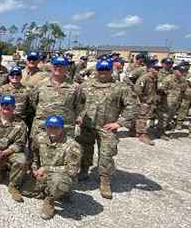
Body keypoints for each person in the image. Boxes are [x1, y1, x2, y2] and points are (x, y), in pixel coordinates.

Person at [77, 60, 136, 199]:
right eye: (101, 69)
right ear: (96, 70)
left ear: (111, 70)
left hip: (107, 127)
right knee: (85, 149)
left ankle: (104, 180)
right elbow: (77, 102)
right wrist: (79, 116)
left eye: (106, 69)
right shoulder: (86, 86)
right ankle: (84, 170)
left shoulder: (120, 87)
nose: (103, 72)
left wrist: (120, 123)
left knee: (106, 154)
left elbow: (132, 106)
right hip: (87, 125)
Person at [31, 115, 81, 220]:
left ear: (62, 128)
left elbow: (72, 170)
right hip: (43, 174)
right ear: (46, 127)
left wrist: (46, 169)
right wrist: (34, 167)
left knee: (58, 182)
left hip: (61, 177)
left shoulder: (72, 146)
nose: (52, 129)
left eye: (56, 127)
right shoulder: (40, 138)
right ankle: (48, 191)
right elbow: (34, 154)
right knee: (24, 190)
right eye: (50, 126)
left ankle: (50, 201)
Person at [0, 95, 27, 202]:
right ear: (0, 106)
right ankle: (2, 168)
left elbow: (19, 144)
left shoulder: (20, 123)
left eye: (9, 105)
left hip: (9, 153)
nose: (6, 107)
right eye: (4, 104)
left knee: (21, 160)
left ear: (14, 107)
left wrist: (3, 153)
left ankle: (14, 186)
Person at [29, 56, 85, 140]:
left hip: (65, 129)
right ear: (51, 66)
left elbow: (79, 106)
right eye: (56, 65)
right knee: (37, 151)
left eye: (62, 65)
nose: (59, 68)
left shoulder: (75, 87)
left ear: (67, 67)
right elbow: (33, 102)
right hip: (42, 127)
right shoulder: (40, 85)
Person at [134, 60, 161, 145]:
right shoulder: (144, 78)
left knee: (143, 117)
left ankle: (138, 132)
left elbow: (154, 89)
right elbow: (137, 89)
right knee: (143, 118)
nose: (157, 70)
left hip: (150, 101)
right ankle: (142, 135)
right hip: (144, 102)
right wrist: (144, 100)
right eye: (155, 68)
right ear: (150, 68)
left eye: (158, 69)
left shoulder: (154, 79)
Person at [157, 63, 189, 136]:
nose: (182, 73)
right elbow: (161, 89)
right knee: (164, 117)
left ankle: (163, 129)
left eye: (183, 72)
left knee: (170, 117)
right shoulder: (168, 78)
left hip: (175, 102)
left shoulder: (183, 80)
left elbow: (184, 90)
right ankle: (160, 132)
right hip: (166, 103)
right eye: (181, 72)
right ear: (176, 71)